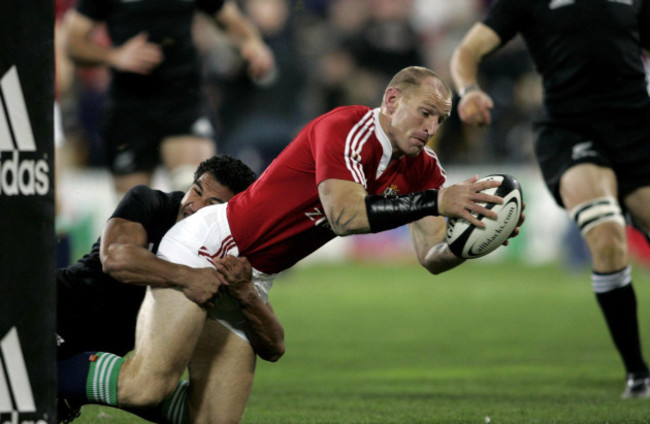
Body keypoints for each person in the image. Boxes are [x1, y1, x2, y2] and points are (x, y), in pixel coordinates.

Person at [59, 66, 524, 423]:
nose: (431, 126)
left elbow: (431, 257)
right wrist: (438, 200)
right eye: (425, 112)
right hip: (208, 243)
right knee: (147, 388)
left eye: (440, 119)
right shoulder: (347, 127)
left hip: (253, 278)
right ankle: (46, 377)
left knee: (214, 420)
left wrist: (476, 239)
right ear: (392, 99)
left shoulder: (425, 169)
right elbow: (343, 214)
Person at [449, 0, 650, 398]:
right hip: (570, 131)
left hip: (636, 128)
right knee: (607, 237)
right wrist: (469, 91)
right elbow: (467, 51)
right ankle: (638, 374)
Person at [56, 155, 285, 423]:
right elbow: (116, 259)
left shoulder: (226, 254)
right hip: (50, 314)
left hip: (100, 362)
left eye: (212, 206)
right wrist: (188, 276)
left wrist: (245, 293)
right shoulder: (149, 203)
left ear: (228, 217)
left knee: (205, 413)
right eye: (196, 191)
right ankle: (42, 377)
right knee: (143, 389)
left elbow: (274, 347)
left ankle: (55, 385)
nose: (193, 206)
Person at [62, 0, 275, 194]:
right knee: (132, 216)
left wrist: (252, 43)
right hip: (129, 106)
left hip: (182, 99)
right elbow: (72, 42)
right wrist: (114, 56)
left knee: (194, 192)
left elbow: (229, 18)